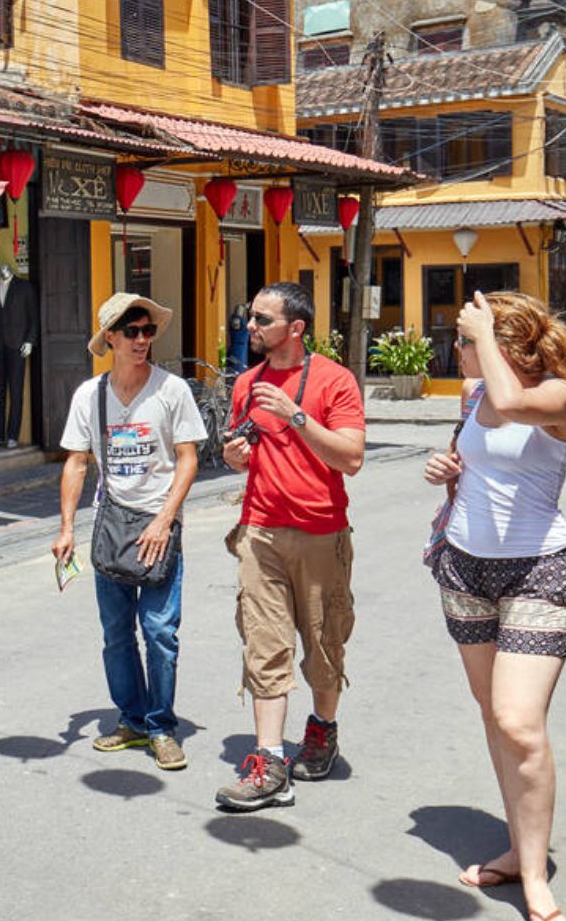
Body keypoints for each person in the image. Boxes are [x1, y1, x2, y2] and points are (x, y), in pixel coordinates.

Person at [422, 291, 566, 921]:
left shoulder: (561, 396)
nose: (459, 351)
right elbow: (474, 467)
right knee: (495, 717)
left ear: (506, 344)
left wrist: (483, 335)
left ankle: (537, 880)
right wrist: (446, 472)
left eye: (465, 340)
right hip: (466, 570)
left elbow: (517, 406)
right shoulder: (472, 396)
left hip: (538, 572)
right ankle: (518, 851)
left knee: (521, 724)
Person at [214, 282, 366, 812]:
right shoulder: (247, 383)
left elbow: (350, 457)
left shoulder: (334, 381)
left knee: (324, 645)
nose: (249, 327)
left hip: (322, 532)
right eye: (249, 317)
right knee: (264, 643)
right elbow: (247, 449)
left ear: (295, 329)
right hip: (259, 531)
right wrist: (237, 457)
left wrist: (296, 415)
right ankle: (270, 762)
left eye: (261, 319)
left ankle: (322, 728)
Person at [53, 293, 206, 772]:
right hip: (114, 524)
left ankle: (161, 726)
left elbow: (188, 458)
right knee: (117, 635)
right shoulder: (89, 395)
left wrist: (165, 518)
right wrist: (66, 529)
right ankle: (132, 719)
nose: (142, 340)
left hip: (160, 526)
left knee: (160, 632)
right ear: (111, 339)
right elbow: (77, 461)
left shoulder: (171, 390)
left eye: (147, 331)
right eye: (132, 332)